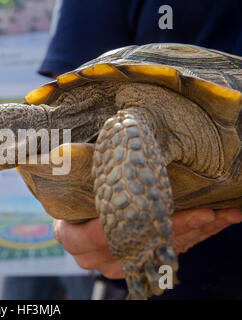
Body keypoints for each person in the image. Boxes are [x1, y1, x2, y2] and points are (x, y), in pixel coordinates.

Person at [39, 0, 242, 299]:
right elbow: (66, 115)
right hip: (185, 283)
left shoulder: (130, 127)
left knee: (127, 129)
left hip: (195, 120)